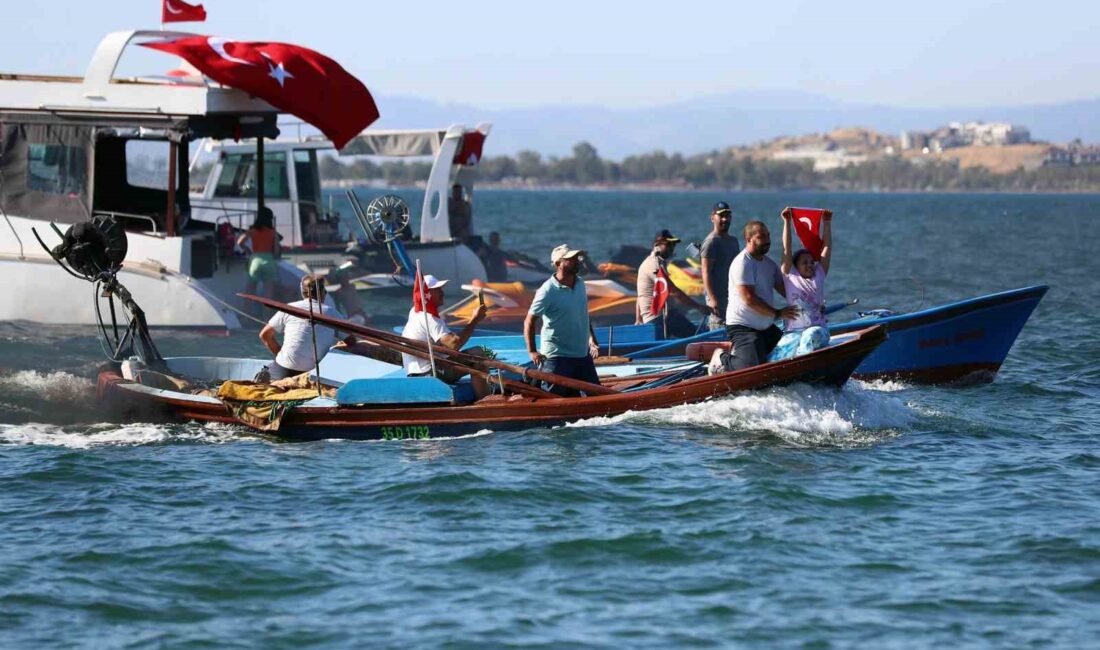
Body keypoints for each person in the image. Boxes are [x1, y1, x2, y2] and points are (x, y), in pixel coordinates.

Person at [524, 245, 602, 396]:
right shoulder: (547, 291)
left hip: (581, 354)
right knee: (552, 399)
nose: (577, 261)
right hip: (557, 357)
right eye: (571, 259)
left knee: (597, 396)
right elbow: (529, 321)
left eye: (576, 258)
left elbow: (583, 313)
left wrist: (592, 337)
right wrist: (532, 351)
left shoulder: (580, 283)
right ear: (558, 263)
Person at [723, 221, 800, 371]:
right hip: (743, 327)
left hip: (766, 327)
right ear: (748, 239)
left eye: (768, 236)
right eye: (761, 237)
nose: (767, 241)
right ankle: (721, 359)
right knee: (750, 368)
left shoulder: (770, 265)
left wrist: (812, 303)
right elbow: (748, 299)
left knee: (793, 352)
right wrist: (778, 313)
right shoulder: (742, 263)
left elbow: (788, 291)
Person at [399, 274, 489, 385]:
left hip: (416, 372)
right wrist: (474, 319)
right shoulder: (429, 317)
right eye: (438, 290)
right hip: (431, 373)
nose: (442, 293)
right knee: (478, 353)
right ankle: (484, 397)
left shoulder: (415, 311)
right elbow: (454, 344)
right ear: (427, 294)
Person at [259, 275, 343, 381]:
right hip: (313, 373)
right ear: (323, 293)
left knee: (265, 373)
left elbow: (264, 335)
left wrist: (281, 354)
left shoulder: (289, 308)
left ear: (303, 293)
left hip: (284, 370)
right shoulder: (333, 314)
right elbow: (351, 341)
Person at [635, 229, 710, 338]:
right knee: (699, 336)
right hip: (659, 319)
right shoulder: (654, 265)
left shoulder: (657, 262)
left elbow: (640, 295)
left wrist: (639, 319)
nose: (672, 248)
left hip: (659, 317)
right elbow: (673, 291)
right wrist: (698, 307)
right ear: (657, 245)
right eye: (668, 245)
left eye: (673, 245)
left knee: (690, 329)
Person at [780, 207, 833, 331]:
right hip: (794, 331)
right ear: (795, 266)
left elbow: (827, 248)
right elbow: (787, 248)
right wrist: (787, 222)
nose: (809, 265)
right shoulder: (790, 276)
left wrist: (827, 222)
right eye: (804, 263)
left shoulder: (819, 274)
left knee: (811, 337)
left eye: (811, 262)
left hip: (818, 329)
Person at [700, 201, 740, 330]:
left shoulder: (733, 241)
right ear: (713, 218)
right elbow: (705, 272)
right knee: (719, 333)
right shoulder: (711, 242)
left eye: (727, 216)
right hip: (718, 300)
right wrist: (712, 299)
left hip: (733, 298)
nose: (725, 219)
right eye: (721, 215)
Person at [237, 207, 282, 304]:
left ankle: (246, 316)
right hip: (269, 260)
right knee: (269, 293)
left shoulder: (253, 230)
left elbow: (240, 242)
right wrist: (273, 256)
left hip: (255, 260)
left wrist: (248, 250)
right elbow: (277, 250)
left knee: (250, 292)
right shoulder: (272, 232)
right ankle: (267, 317)